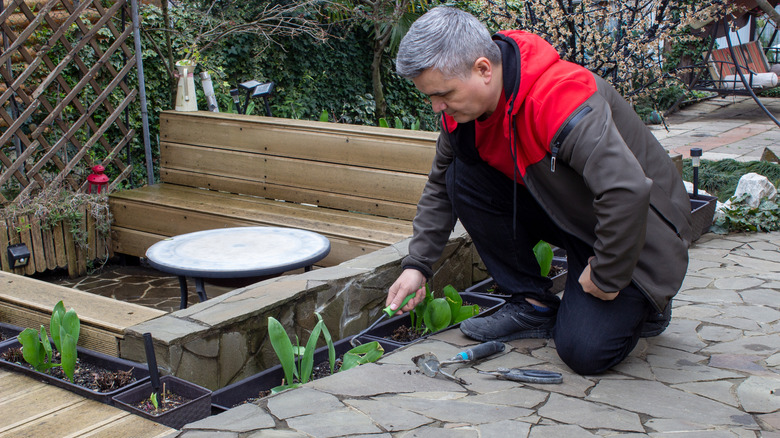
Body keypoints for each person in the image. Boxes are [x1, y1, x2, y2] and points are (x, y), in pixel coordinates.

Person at [385, 6, 693, 375]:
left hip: (638, 230)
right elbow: (440, 187)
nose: (438, 107)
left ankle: (648, 303)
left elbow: (625, 191)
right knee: (458, 176)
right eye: (430, 97)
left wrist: (607, 276)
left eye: (444, 93)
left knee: (584, 353)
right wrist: (417, 265)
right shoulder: (462, 118)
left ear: (483, 69)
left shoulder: (561, 99)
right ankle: (532, 304)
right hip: (572, 215)